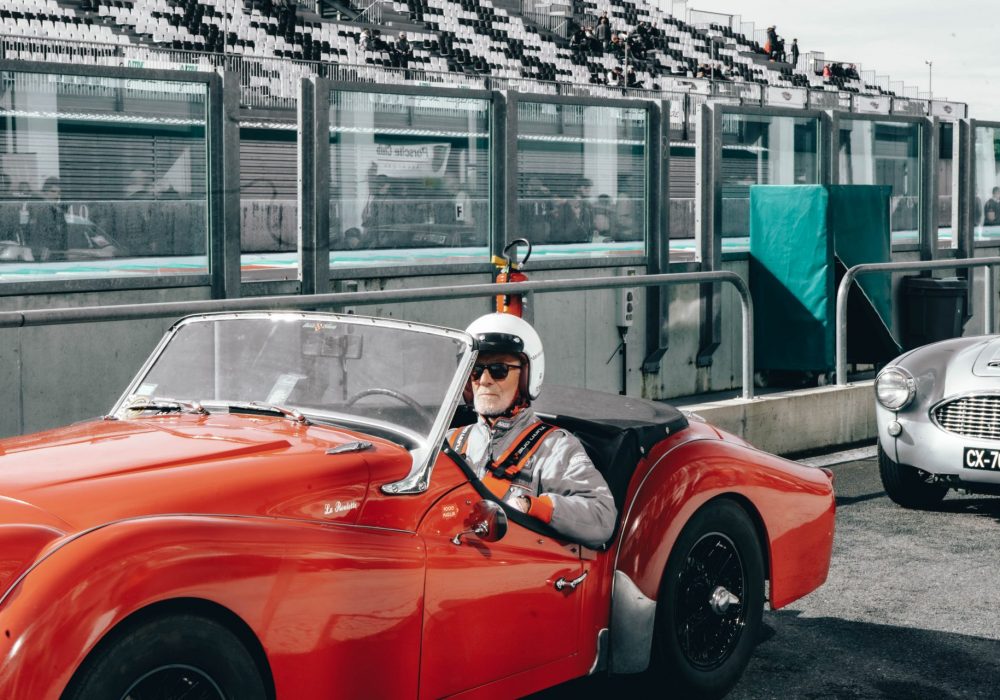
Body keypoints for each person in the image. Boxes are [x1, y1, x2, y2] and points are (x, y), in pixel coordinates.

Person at [449, 313, 617, 548]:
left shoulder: (555, 448)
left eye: (498, 369)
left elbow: (601, 516)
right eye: (476, 370)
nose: (484, 380)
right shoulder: (451, 442)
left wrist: (535, 506)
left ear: (527, 376)